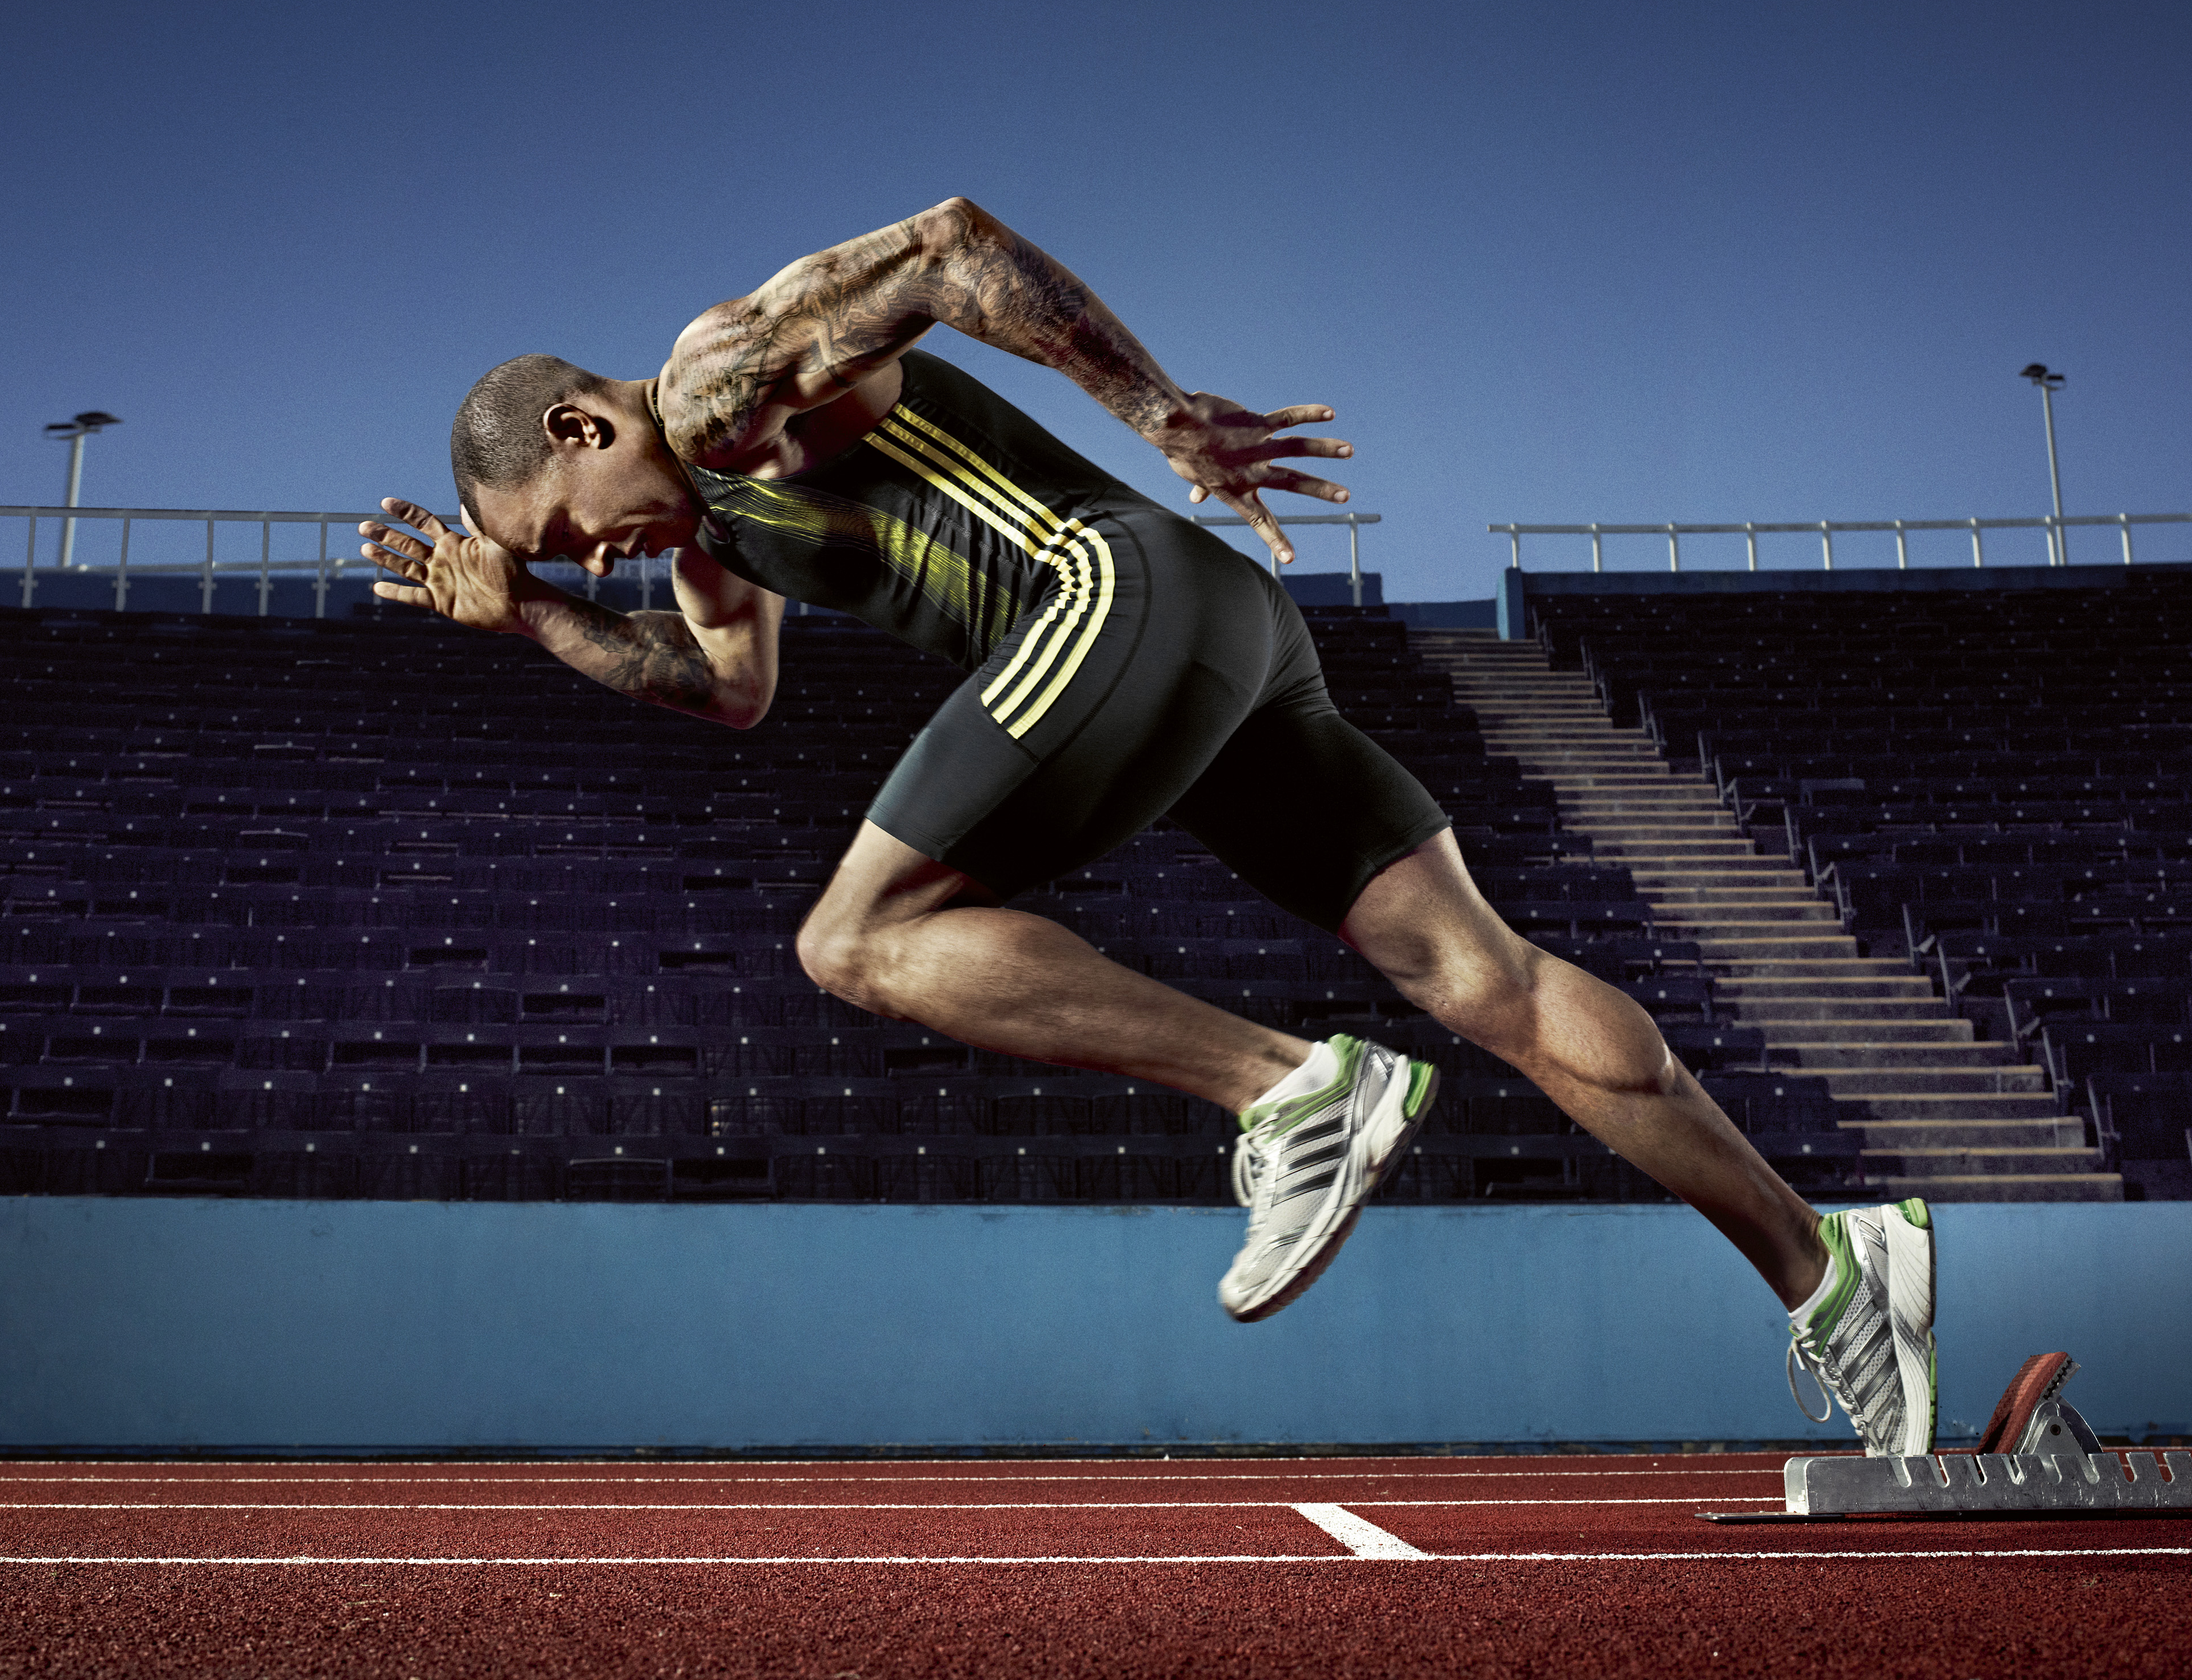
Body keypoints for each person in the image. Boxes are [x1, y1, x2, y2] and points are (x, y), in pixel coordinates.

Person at [358, 197, 1936, 1452]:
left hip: (1108, 585)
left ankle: (1289, 1094)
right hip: (1219, 636)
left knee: (851, 936)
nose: (603, 559)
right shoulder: (712, 540)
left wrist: (1158, 409)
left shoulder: (707, 385)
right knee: (1484, 977)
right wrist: (536, 625)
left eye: (571, 535)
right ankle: (1833, 1275)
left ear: (578, 425)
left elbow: (946, 244)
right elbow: (726, 698)